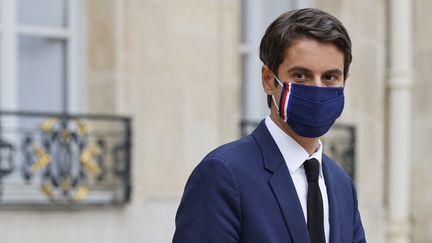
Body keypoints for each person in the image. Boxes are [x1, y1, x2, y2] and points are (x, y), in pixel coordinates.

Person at [173, 8, 366, 243]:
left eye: (330, 77)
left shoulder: (342, 186)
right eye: (301, 76)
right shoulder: (224, 175)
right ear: (268, 79)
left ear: (344, 81)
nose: (317, 89)